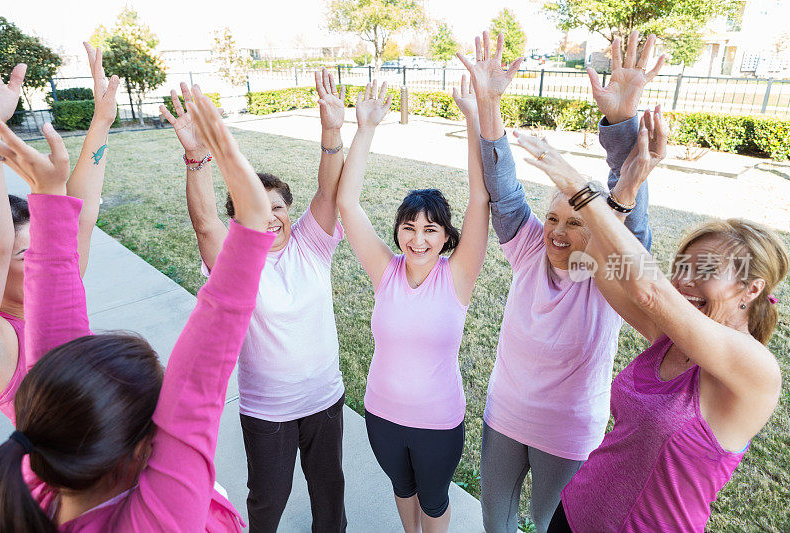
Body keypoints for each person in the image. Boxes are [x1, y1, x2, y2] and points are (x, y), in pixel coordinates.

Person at [0, 86, 274, 531]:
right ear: (140, 447)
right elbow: (198, 382)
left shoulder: (45, 475)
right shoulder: (156, 518)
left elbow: (56, 329)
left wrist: (49, 192)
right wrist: (254, 223)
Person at [513, 129, 788, 533]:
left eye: (706, 270)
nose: (685, 281)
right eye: (683, 267)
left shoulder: (755, 371)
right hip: (573, 512)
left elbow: (649, 290)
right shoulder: (669, 338)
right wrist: (627, 184)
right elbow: (594, 261)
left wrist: (579, 189)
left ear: (751, 289)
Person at [455, 31, 664, 532]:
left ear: (596, 228)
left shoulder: (608, 270)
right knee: (495, 523)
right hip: (505, 417)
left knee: (551, 525)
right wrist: (489, 104)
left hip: (569, 433)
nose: (559, 232)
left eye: (576, 221)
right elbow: (502, 188)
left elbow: (627, 212)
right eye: (552, 218)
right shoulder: (527, 247)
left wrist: (621, 121)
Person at [160, 68, 348, 532]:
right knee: (268, 500)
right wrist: (197, 157)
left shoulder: (312, 242)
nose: (270, 217)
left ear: (290, 210)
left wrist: (331, 130)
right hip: (269, 412)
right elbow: (205, 225)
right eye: (256, 209)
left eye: (278, 207)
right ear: (240, 218)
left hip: (325, 400)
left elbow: (329, 190)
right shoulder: (236, 261)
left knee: (330, 495)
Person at [336, 77, 489, 533]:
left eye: (430, 230)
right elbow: (346, 201)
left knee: (435, 497)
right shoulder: (385, 272)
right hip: (382, 415)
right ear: (398, 231)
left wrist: (472, 117)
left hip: (438, 423)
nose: (417, 239)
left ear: (446, 238)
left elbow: (479, 198)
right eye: (408, 227)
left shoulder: (457, 277)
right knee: (402, 490)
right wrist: (365, 129)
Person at [0, 35, 120, 423]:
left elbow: (82, 215)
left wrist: (102, 120)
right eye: (24, 254)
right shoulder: (0, 346)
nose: (40, 260)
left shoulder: (57, 286)